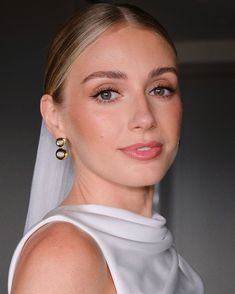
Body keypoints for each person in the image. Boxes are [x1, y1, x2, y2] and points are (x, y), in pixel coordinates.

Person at [8, 3, 204, 293]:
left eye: (160, 89)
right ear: (55, 118)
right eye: (107, 93)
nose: (145, 118)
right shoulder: (63, 257)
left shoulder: (163, 252)